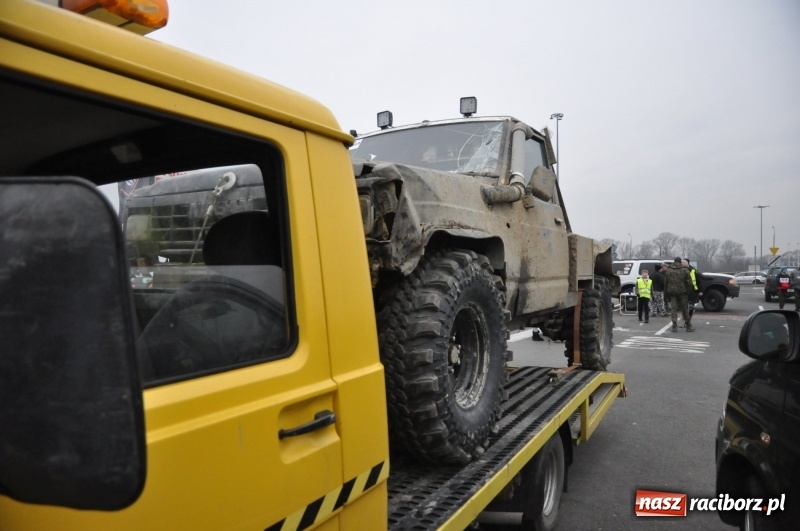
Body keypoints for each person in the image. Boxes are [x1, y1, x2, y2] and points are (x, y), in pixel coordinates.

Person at [664, 256, 694, 332]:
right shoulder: (685, 270)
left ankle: (674, 326)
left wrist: (666, 293)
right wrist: (687, 291)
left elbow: (666, 283)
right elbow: (689, 283)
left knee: (673, 310)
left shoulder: (669, 270)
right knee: (685, 310)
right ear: (680, 262)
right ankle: (688, 326)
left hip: (672, 292)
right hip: (683, 292)